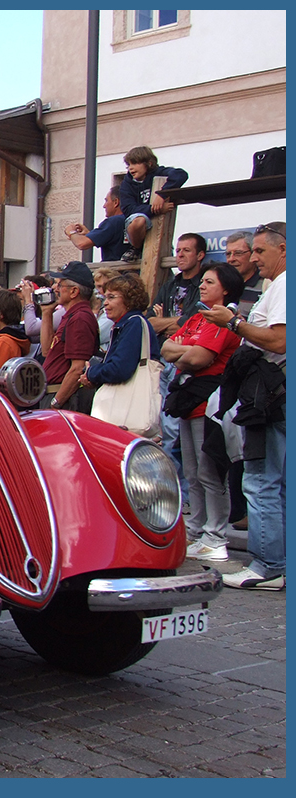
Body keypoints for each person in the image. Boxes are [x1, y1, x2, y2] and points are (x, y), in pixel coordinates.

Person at [203, 222, 286, 590]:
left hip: (271, 397)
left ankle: (268, 565)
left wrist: (233, 321)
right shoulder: (277, 285)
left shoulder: (284, 284)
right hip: (271, 395)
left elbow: (279, 340)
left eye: (259, 251)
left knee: (262, 481)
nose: (253, 259)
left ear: (283, 249)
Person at [160, 262, 244, 562]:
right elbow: (167, 349)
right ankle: (196, 529)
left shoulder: (224, 321)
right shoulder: (196, 317)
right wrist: (185, 352)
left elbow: (197, 357)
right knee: (193, 473)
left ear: (226, 289)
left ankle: (216, 535)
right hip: (188, 401)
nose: (203, 286)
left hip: (210, 405)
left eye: (210, 282)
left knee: (210, 473)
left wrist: (185, 352)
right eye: (203, 281)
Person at [148, 232, 207, 501]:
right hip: (165, 358)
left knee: (179, 434)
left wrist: (170, 322)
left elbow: (191, 322)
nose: (180, 255)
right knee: (165, 428)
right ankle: (174, 492)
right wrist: (174, 322)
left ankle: (182, 495)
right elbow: (151, 321)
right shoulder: (170, 284)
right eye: (178, 250)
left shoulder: (202, 285)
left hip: (186, 361)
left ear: (200, 255)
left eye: (186, 251)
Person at [222, 231, 263, 529]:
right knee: (234, 450)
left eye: (241, 253)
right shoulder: (230, 288)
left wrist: (234, 322)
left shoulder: (269, 287)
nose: (233, 259)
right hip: (236, 379)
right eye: (228, 254)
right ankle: (239, 513)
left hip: (260, 379)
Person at [80, 272, 161, 394]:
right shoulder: (124, 325)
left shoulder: (133, 324)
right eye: (105, 298)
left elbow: (119, 369)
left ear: (129, 300)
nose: (105, 303)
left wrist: (91, 373)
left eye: (111, 297)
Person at [39, 261, 100, 412]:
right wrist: (47, 313)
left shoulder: (80, 318)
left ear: (74, 291)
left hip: (66, 398)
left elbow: (77, 368)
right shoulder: (72, 316)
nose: (54, 288)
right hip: (57, 393)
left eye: (60, 285)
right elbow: (46, 351)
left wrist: (56, 403)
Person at [119, 146, 188, 261]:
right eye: (129, 165)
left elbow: (181, 174)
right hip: (137, 228)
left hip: (159, 232)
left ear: (149, 163)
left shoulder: (158, 173)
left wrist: (162, 195)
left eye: (135, 163)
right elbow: (129, 209)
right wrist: (155, 209)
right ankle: (136, 248)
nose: (131, 168)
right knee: (138, 220)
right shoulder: (127, 184)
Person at [64, 186, 128, 262]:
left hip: (114, 272)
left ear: (116, 202)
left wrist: (71, 232)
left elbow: (81, 244)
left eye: (106, 201)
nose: (104, 206)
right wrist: (91, 235)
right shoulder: (131, 220)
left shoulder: (113, 222)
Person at [19, 274, 65, 361]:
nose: (54, 287)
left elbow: (31, 329)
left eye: (58, 284)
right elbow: (45, 349)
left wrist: (29, 300)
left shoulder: (66, 311)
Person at [93, 268, 121, 350]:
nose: (101, 291)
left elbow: (92, 336)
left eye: (105, 286)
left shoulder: (112, 310)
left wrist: (94, 312)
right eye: (98, 287)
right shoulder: (100, 305)